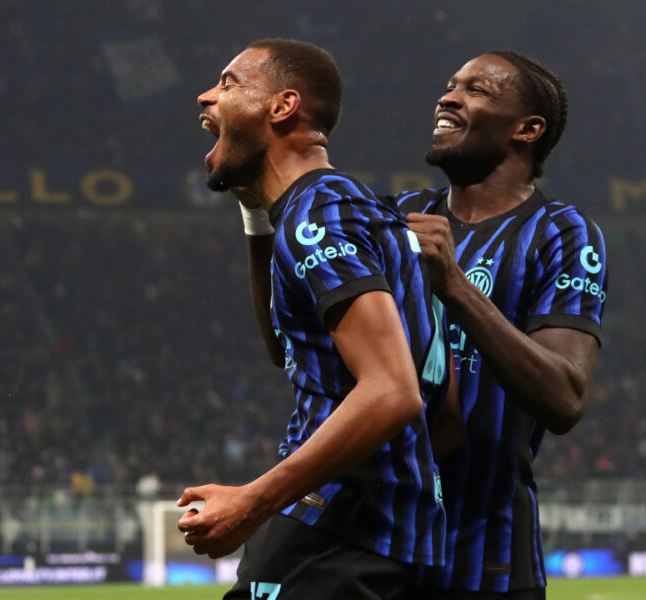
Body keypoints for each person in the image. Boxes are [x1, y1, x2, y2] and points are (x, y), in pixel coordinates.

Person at [176, 38, 456, 599]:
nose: (206, 97)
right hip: (380, 534)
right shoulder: (356, 211)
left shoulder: (319, 214)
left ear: (283, 107)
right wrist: (256, 213)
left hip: (334, 532)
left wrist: (253, 501)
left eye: (229, 83)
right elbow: (287, 349)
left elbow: (393, 391)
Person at [394, 51, 608, 598]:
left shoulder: (562, 234)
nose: (448, 98)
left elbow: (564, 398)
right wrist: (256, 215)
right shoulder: (401, 215)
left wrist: (455, 286)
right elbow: (285, 343)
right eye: (450, 85)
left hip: (488, 559)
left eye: (476, 90)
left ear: (527, 130)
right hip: (380, 550)